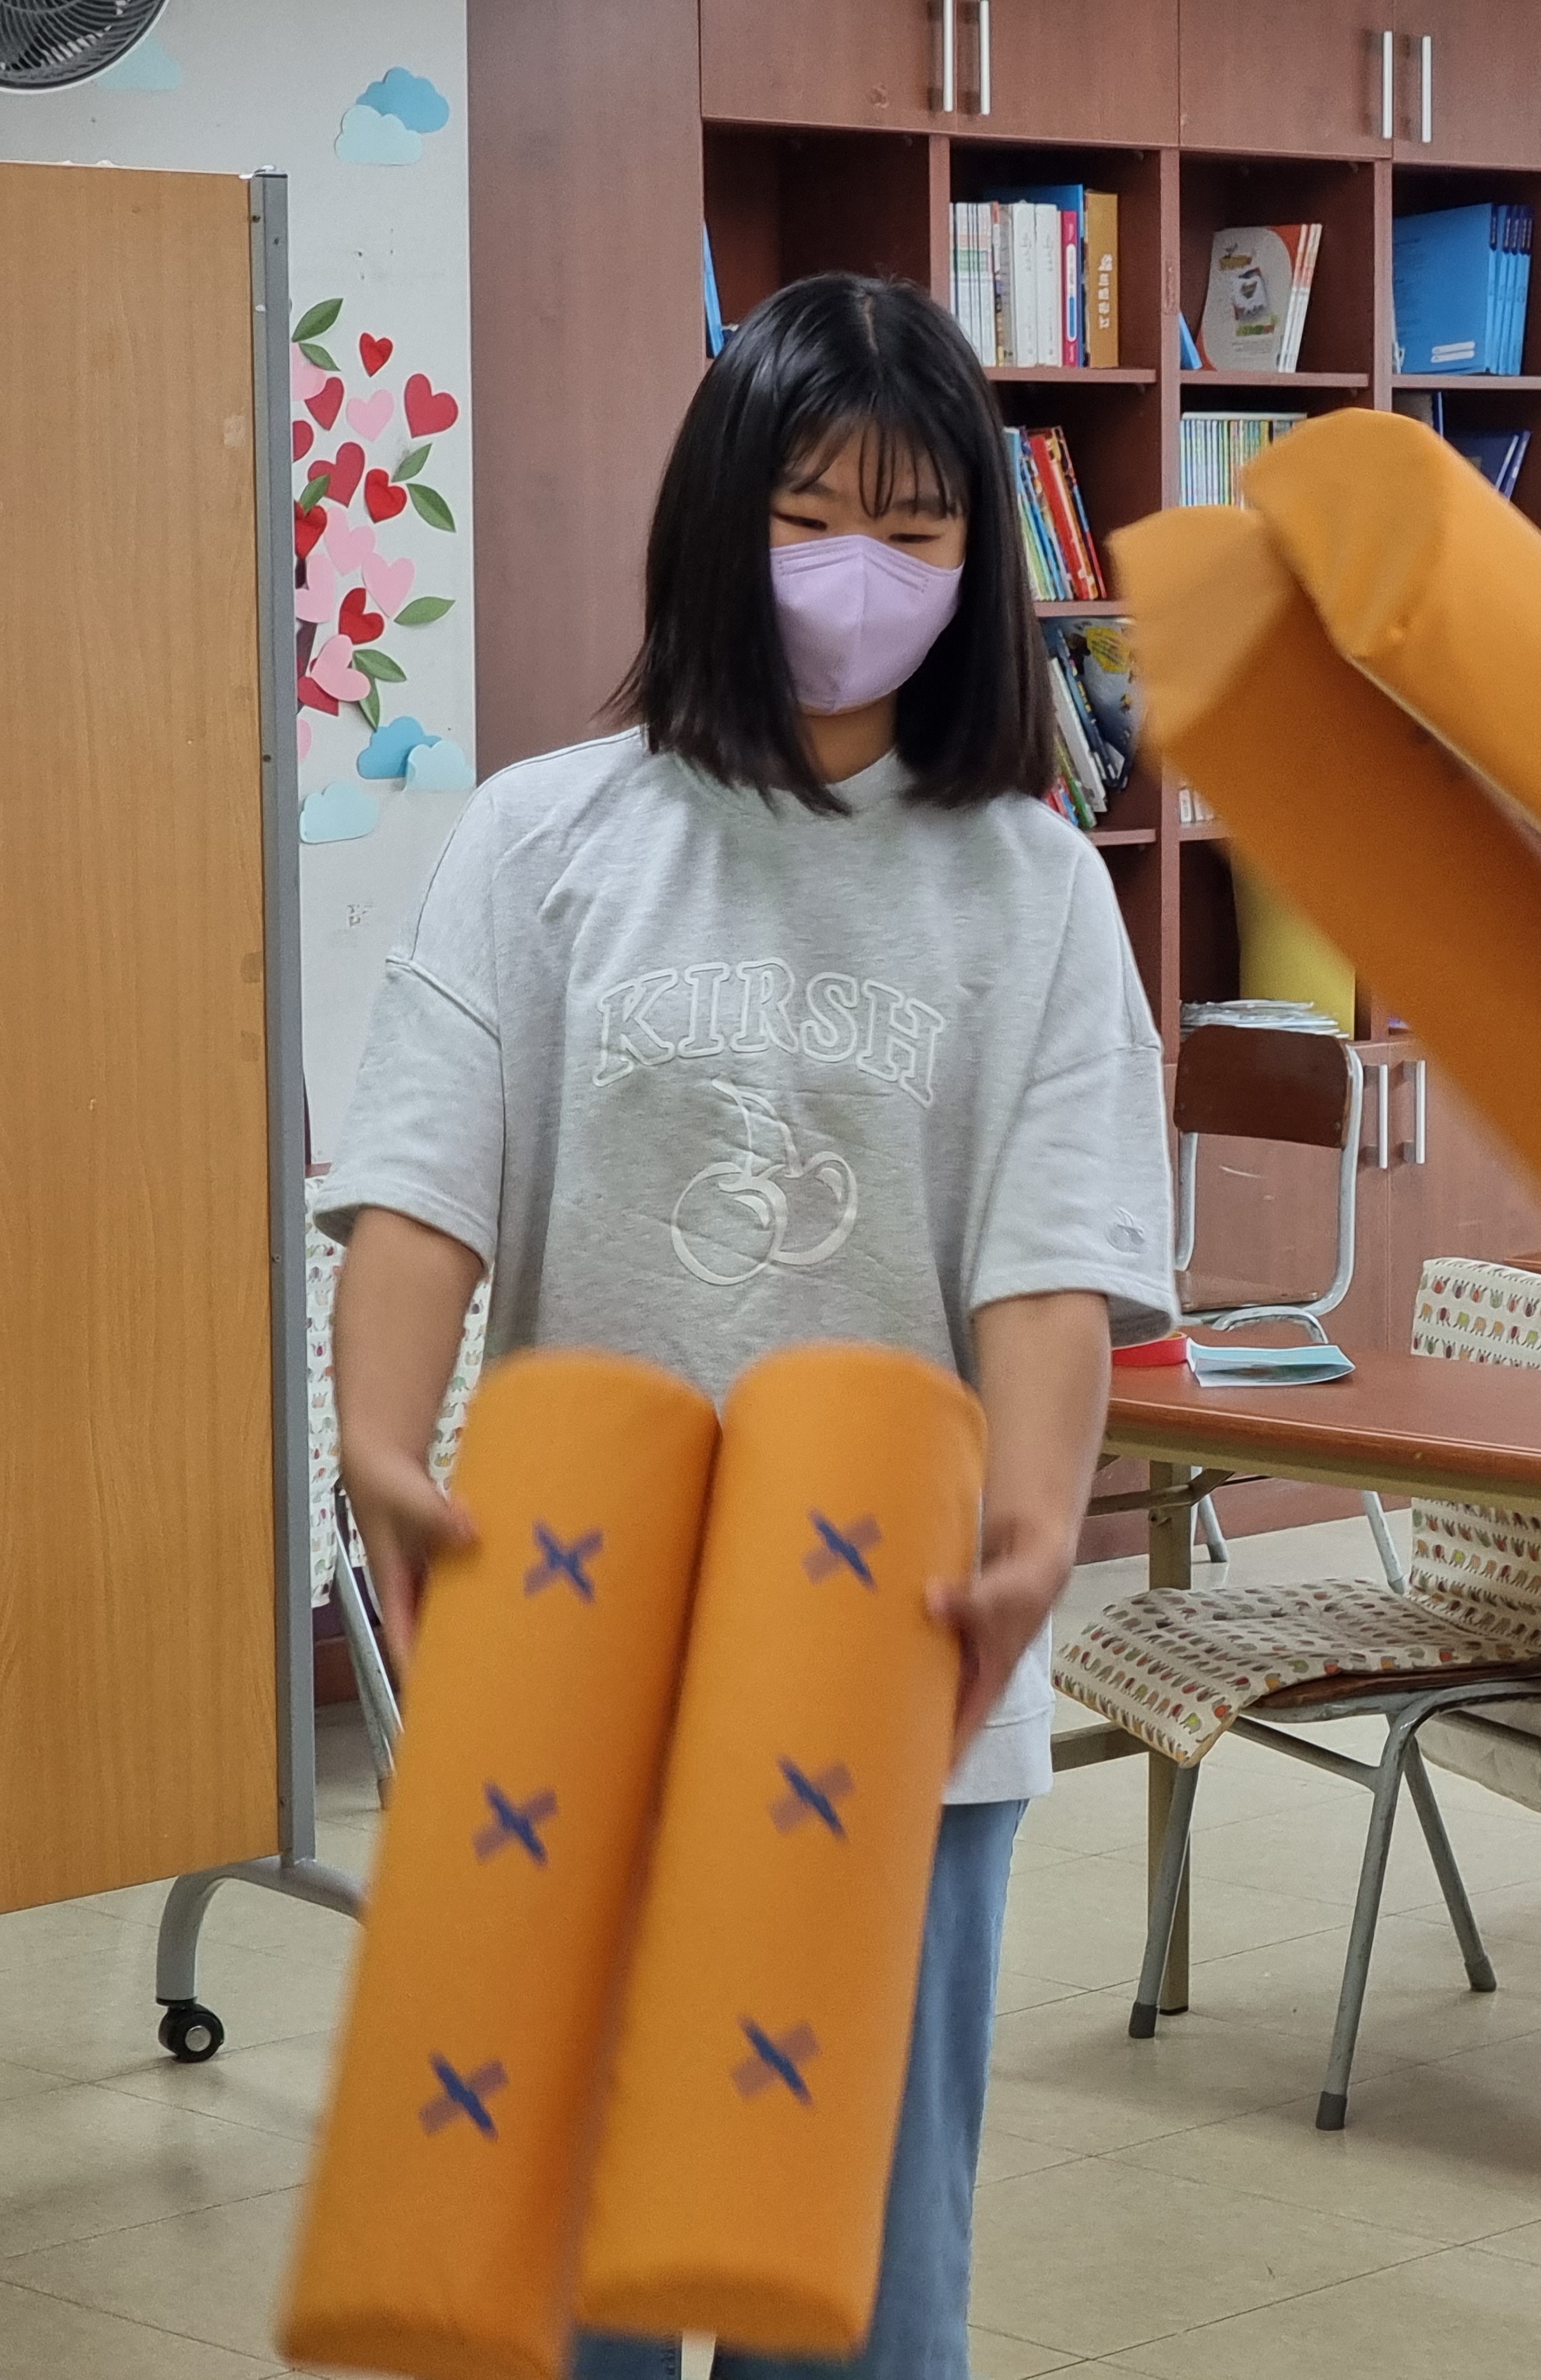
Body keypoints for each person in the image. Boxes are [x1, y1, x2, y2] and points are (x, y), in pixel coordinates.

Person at [320, 273, 1176, 2380]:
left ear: (979, 564)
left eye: (915, 526)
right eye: (808, 515)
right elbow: (423, 1183)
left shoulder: (1032, 890)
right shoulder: (547, 837)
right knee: (567, 2279)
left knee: (849, 2289)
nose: (858, 572)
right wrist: (380, 1445)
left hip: (890, 1675)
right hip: (579, 1661)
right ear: (720, 522)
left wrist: (1036, 1525)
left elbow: (1045, 1265)